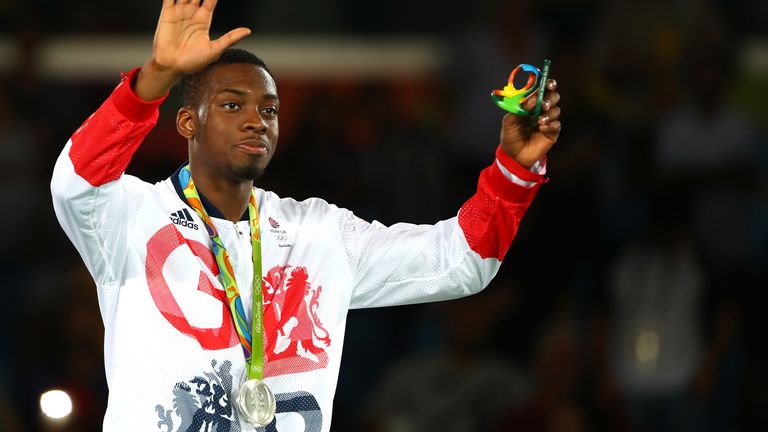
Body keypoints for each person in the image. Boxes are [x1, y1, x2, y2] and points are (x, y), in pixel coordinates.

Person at [51, 1, 562, 431]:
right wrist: (156, 78)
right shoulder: (133, 216)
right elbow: (75, 182)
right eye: (232, 105)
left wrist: (513, 170)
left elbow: (462, 262)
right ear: (188, 121)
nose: (256, 120)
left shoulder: (318, 232)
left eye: (270, 109)